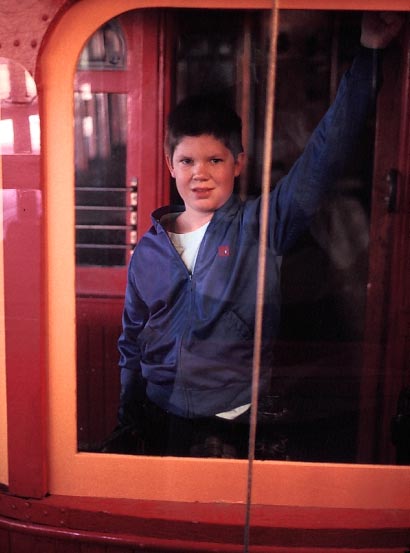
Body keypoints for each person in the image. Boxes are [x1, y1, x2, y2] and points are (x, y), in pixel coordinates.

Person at [104, 12, 404, 458]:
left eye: (215, 160)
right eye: (187, 161)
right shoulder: (150, 248)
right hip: (159, 416)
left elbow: (323, 160)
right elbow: (131, 341)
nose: (200, 174)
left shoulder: (259, 226)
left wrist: (370, 53)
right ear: (170, 165)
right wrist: (128, 417)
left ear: (239, 163)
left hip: (234, 421)